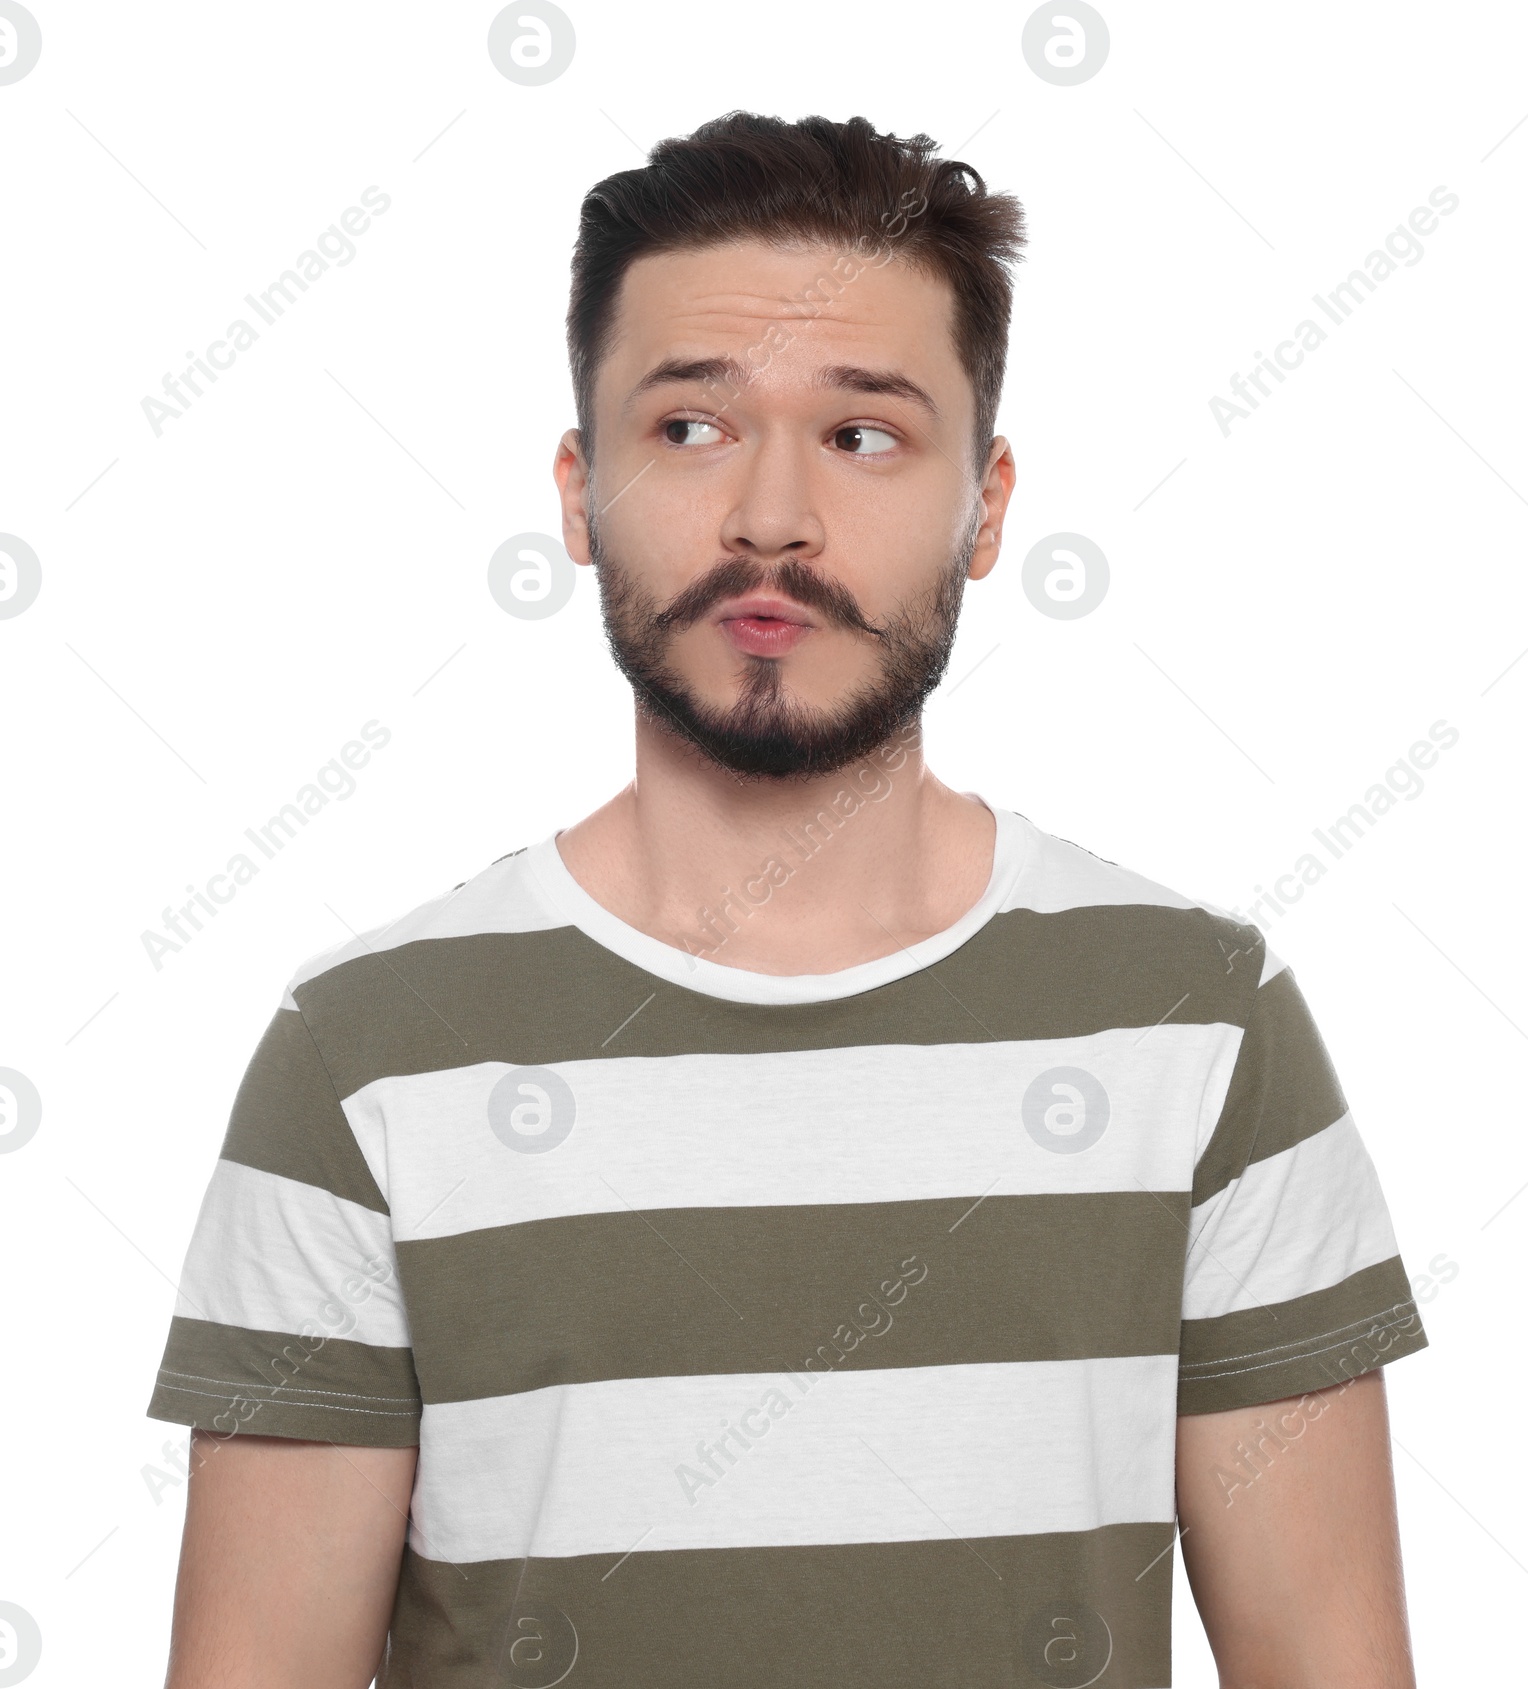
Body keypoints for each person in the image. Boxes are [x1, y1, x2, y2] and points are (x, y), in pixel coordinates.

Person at [149, 111, 1429, 1689]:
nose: (771, 517)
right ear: (578, 490)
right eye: (689, 427)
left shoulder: (1202, 1026)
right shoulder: (365, 1058)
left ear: (987, 504)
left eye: (864, 432)